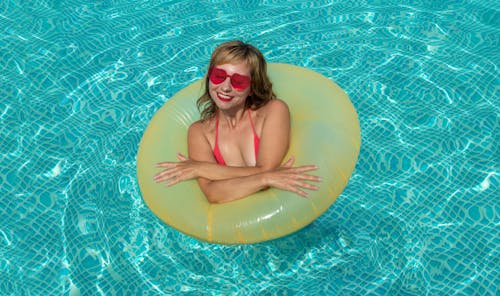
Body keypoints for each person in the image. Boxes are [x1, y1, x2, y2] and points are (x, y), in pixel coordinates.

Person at [154, 40, 320, 203]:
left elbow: (268, 170)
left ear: (252, 87)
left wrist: (201, 168)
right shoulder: (200, 132)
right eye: (219, 76)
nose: (225, 87)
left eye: (238, 81)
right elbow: (213, 193)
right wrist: (265, 178)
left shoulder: (273, 111)